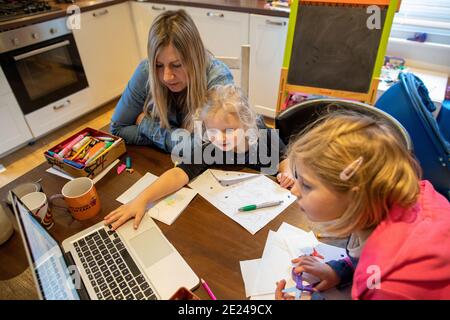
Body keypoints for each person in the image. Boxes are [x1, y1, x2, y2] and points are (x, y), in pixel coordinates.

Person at [275, 111, 450, 300]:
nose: (294, 191)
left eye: (307, 185)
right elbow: (368, 255)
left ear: (355, 196)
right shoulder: (401, 198)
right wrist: (340, 270)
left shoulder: (392, 283)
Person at [105, 84, 295, 230]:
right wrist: (142, 199)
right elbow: (178, 174)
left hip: (265, 214)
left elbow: (284, 160)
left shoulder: (263, 138)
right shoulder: (209, 146)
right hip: (224, 219)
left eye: (228, 130)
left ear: (247, 124)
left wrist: (287, 173)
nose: (219, 138)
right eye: (212, 130)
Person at [110, 9, 234, 152]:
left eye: (176, 65)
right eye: (158, 65)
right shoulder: (146, 71)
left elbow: (210, 148)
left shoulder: (219, 79)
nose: (166, 77)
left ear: (196, 59)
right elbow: (118, 128)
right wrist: (175, 143)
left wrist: (146, 125)